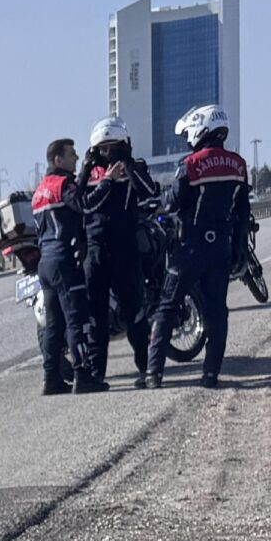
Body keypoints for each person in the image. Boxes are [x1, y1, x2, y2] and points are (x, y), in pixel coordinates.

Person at [147, 105, 252, 388]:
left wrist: (161, 201)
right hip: (221, 248)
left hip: (188, 249)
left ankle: (153, 374)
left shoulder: (191, 164)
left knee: (167, 308)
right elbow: (243, 211)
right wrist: (239, 245)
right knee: (217, 310)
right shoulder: (239, 165)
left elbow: (172, 202)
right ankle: (210, 374)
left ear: (200, 129)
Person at [80, 115, 162, 389]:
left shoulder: (134, 167)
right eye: (103, 148)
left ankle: (146, 370)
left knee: (135, 311)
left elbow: (151, 192)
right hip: (96, 251)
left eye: (113, 147)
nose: (108, 153)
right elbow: (82, 204)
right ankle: (95, 374)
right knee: (95, 315)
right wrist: (104, 177)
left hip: (126, 249)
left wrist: (128, 167)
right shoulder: (90, 173)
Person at [29, 138, 92, 395]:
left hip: (46, 263)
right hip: (65, 260)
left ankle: (51, 379)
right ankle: (83, 376)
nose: (76, 159)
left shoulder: (40, 191)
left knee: (53, 326)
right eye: (72, 155)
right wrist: (89, 173)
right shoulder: (64, 185)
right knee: (76, 320)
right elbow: (83, 204)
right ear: (58, 160)